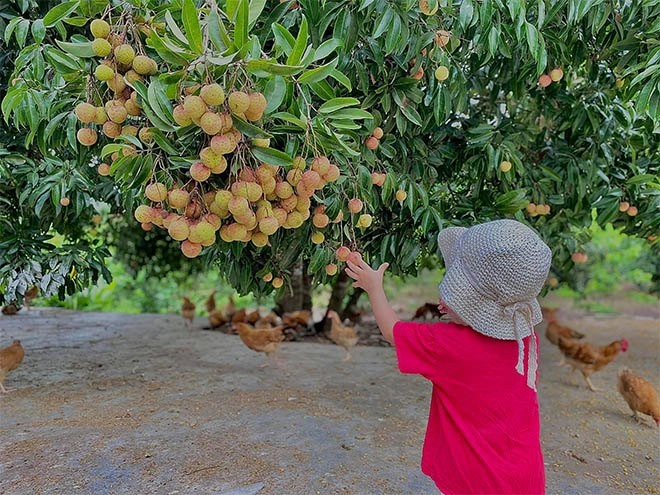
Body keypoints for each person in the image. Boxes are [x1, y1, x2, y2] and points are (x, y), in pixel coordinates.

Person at [345, 219, 552, 495]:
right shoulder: (524, 336)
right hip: (525, 476)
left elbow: (392, 331)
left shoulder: (449, 345)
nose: (444, 300)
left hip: (475, 479)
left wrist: (374, 288)